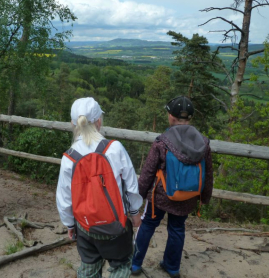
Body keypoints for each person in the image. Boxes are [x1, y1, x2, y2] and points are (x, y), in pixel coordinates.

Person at [56, 97, 143, 278]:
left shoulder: (69, 158)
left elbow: (64, 197)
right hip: (116, 224)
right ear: (98, 121)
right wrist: (135, 214)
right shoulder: (115, 148)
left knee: (89, 267)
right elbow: (131, 186)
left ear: (73, 124)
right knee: (121, 265)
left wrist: (69, 224)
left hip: (85, 226)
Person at [131, 96, 213, 278]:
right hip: (187, 197)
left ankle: (135, 263)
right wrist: (204, 198)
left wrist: (138, 197)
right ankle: (172, 266)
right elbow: (208, 174)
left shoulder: (162, 142)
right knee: (177, 229)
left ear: (171, 116)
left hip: (160, 196)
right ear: (189, 118)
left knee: (147, 225)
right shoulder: (203, 143)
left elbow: (147, 173)